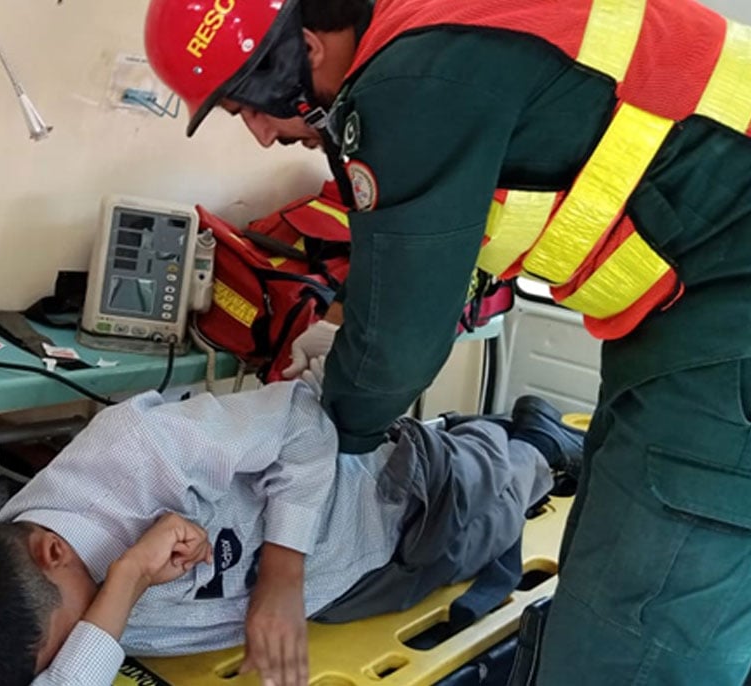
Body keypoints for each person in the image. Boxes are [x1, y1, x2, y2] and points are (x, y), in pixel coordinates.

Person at [142, 0, 751, 683]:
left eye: (248, 106)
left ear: (305, 50)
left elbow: (394, 353)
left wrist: (327, 416)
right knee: (606, 565)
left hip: (725, 321)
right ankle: (541, 445)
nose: (259, 134)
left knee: (630, 642)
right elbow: (413, 251)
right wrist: (344, 327)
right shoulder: (435, 36)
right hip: (684, 317)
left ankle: (536, 448)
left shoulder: (412, 81)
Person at [0, 353, 584, 686]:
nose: (88, 648)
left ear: (50, 553)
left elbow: (303, 421)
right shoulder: (12, 614)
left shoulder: (136, 451)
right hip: (343, 592)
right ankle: (487, 441)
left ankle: (532, 438)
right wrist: (127, 577)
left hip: (384, 501)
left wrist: (282, 574)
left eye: (80, 634)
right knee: (442, 565)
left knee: (496, 497)